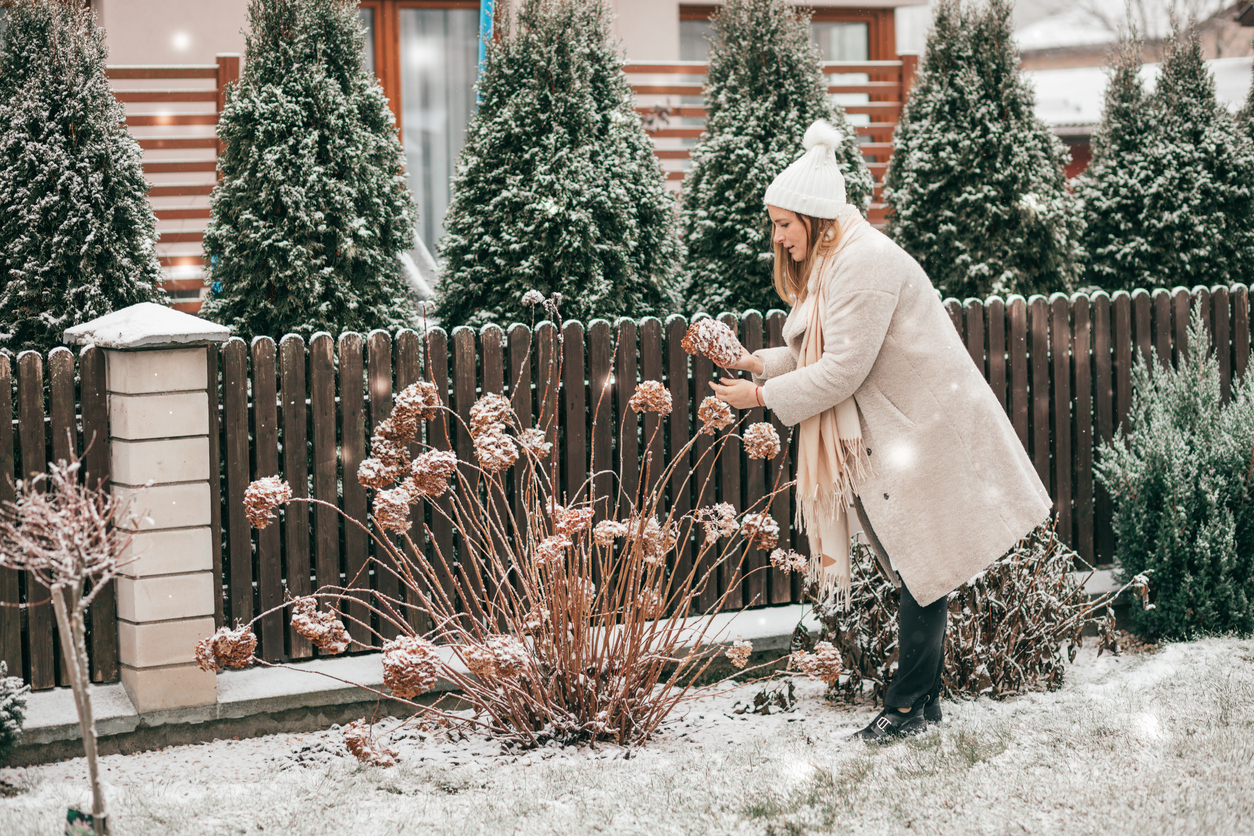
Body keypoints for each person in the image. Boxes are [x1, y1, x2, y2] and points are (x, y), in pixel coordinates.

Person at [709, 119, 1051, 742]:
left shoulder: (863, 264)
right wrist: (759, 363)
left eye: (784, 225)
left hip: (922, 429)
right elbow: (823, 350)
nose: (778, 239)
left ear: (813, 219)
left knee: (921, 565)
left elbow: (841, 370)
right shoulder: (839, 260)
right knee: (917, 567)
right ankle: (921, 705)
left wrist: (760, 396)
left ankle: (907, 708)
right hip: (902, 430)